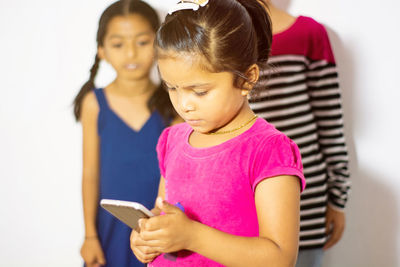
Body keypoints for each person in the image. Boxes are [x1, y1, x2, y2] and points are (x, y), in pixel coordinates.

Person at [129, 0, 306, 266]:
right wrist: (148, 236)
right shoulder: (173, 140)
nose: (184, 104)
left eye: (199, 91)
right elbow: (165, 213)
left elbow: (280, 257)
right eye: (172, 87)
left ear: (247, 79)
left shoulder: (268, 150)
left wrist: (192, 236)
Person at [73, 1, 175, 266]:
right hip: (109, 234)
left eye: (142, 42)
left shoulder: (175, 103)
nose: (131, 53)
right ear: (102, 51)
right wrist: (90, 236)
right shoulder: (94, 104)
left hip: (158, 234)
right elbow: (90, 175)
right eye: (118, 44)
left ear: (158, 43)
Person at [251, 1, 351, 266]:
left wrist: (338, 199)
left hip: (305, 197)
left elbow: (330, 119)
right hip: (243, 198)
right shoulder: (217, 38)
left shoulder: (309, 33)